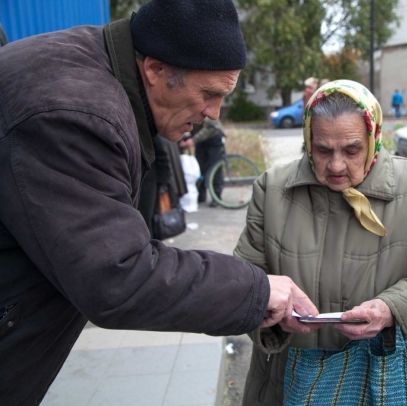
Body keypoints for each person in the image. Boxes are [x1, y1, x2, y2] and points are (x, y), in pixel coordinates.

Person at [0, 0, 317, 404]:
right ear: (154, 69)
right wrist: (257, 290)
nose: (214, 113)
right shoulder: (75, 113)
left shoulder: (93, 71)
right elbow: (118, 276)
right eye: (208, 94)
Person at [235, 79, 407, 405]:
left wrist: (391, 310)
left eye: (352, 150)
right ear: (308, 139)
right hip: (288, 383)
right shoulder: (272, 188)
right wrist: (269, 310)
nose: (336, 165)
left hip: (385, 384)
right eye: (323, 150)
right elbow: (244, 280)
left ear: (373, 137)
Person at [193, 118, 227, 206]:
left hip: (214, 140)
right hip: (201, 142)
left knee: (215, 169)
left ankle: (216, 197)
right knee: (200, 168)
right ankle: (200, 195)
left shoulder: (209, 114)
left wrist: (193, 140)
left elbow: (211, 128)